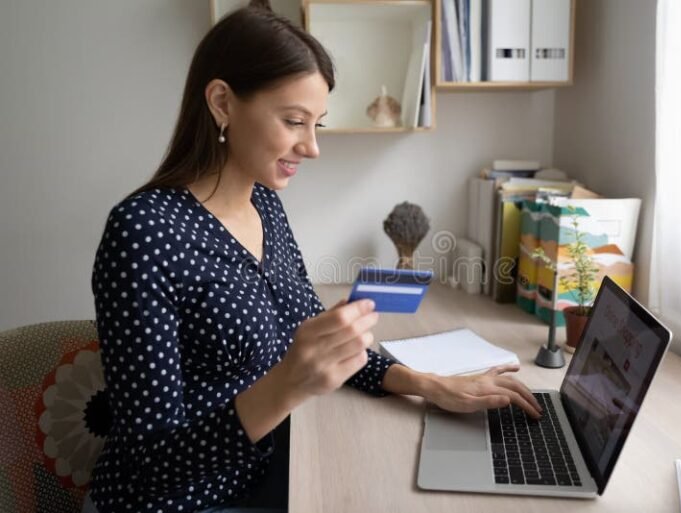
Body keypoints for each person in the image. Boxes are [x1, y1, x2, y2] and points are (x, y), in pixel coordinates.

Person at [85, 2, 542, 512]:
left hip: (265, 471)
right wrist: (285, 386)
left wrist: (426, 384)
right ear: (222, 102)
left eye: (317, 123)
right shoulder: (143, 233)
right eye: (294, 121)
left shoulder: (265, 205)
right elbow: (152, 461)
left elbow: (312, 331)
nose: (312, 147)